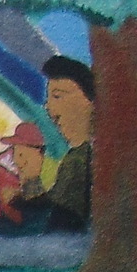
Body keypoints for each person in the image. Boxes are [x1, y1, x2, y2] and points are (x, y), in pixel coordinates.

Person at [41, 53, 96, 229]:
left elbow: (60, 228)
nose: (48, 107)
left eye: (57, 96)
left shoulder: (79, 161)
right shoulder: (78, 156)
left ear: (89, 101)